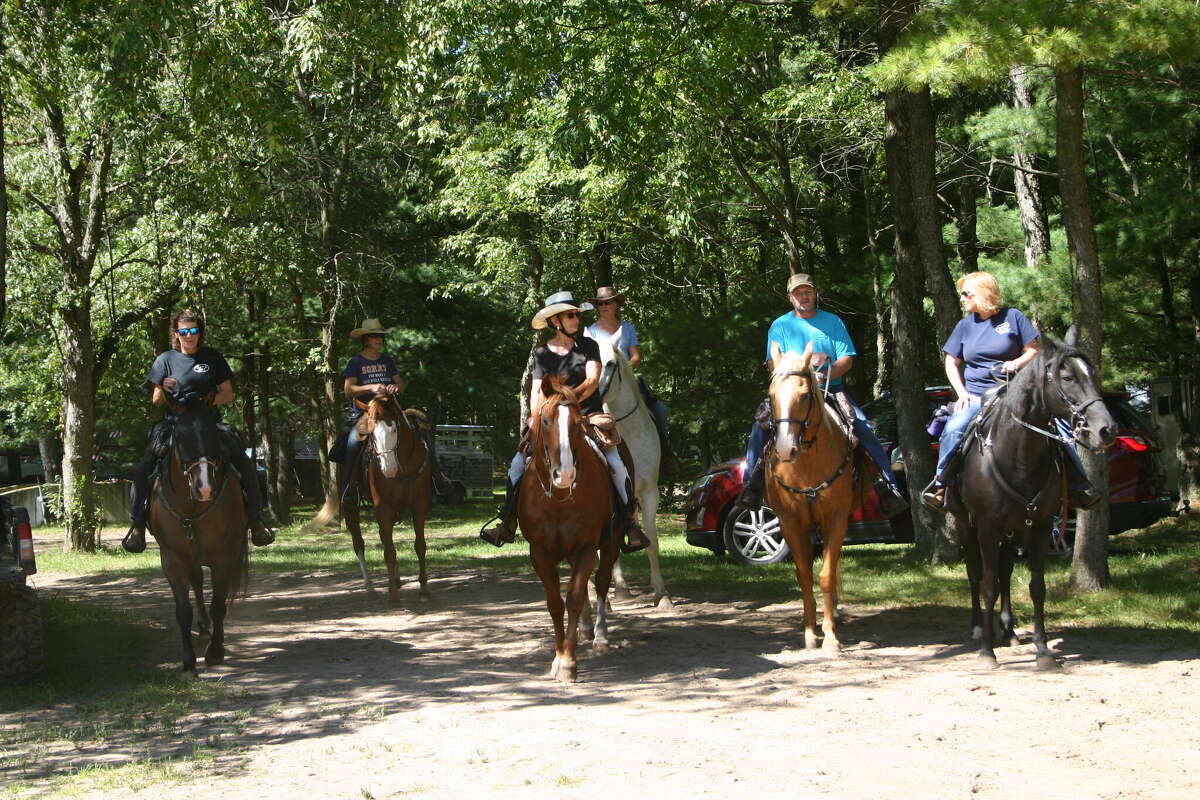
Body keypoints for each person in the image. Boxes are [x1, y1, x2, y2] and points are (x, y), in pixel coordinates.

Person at [479, 291, 650, 552]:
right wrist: (539, 418)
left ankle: (629, 524)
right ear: (555, 321)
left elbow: (592, 381)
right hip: (550, 421)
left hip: (588, 418)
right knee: (517, 464)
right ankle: (508, 521)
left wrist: (565, 403)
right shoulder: (542, 353)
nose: (576, 319)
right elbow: (537, 392)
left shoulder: (588, 346)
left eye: (577, 314)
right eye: (571, 315)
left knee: (617, 463)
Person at [920, 271, 1100, 511]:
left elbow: (1033, 350)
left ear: (983, 293)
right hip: (977, 395)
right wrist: (961, 393)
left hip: (1014, 394)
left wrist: (1016, 363)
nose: (962, 298)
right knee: (954, 429)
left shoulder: (1013, 317)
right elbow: (951, 362)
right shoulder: (964, 326)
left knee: (1057, 427)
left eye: (966, 293)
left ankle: (1079, 485)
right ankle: (941, 486)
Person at [737, 273, 909, 516]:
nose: (803, 296)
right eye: (798, 293)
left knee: (862, 427)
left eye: (807, 292)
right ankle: (751, 487)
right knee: (759, 428)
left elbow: (847, 359)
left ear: (815, 294)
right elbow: (772, 363)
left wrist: (826, 373)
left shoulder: (833, 322)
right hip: (791, 393)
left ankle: (888, 488)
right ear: (790, 297)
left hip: (831, 390)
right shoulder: (780, 326)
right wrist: (803, 371)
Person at [123, 309, 275, 553]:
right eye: (184, 331)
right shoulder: (165, 360)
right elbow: (156, 400)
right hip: (175, 423)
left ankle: (256, 520)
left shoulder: (212, 357)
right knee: (144, 466)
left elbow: (228, 394)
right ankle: (138, 525)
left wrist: (206, 402)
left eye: (194, 330)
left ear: (200, 332)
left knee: (242, 460)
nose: (189, 336)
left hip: (208, 422)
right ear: (176, 333)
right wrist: (163, 386)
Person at [584, 285, 679, 475]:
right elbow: (588, 362)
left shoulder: (627, 328)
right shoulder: (590, 332)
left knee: (660, 410)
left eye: (608, 302)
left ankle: (666, 454)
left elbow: (636, 357)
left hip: (628, 380)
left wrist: (623, 368)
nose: (604, 306)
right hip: (601, 382)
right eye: (600, 304)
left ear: (616, 305)